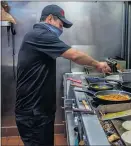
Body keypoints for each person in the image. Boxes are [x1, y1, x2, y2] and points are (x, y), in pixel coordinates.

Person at [15, 4, 111, 146]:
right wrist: (98, 64)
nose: (61, 30)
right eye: (60, 25)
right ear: (49, 19)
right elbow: (74, 55)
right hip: (33, 113)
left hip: (39, 111)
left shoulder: (38, 35)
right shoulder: (40, 35)